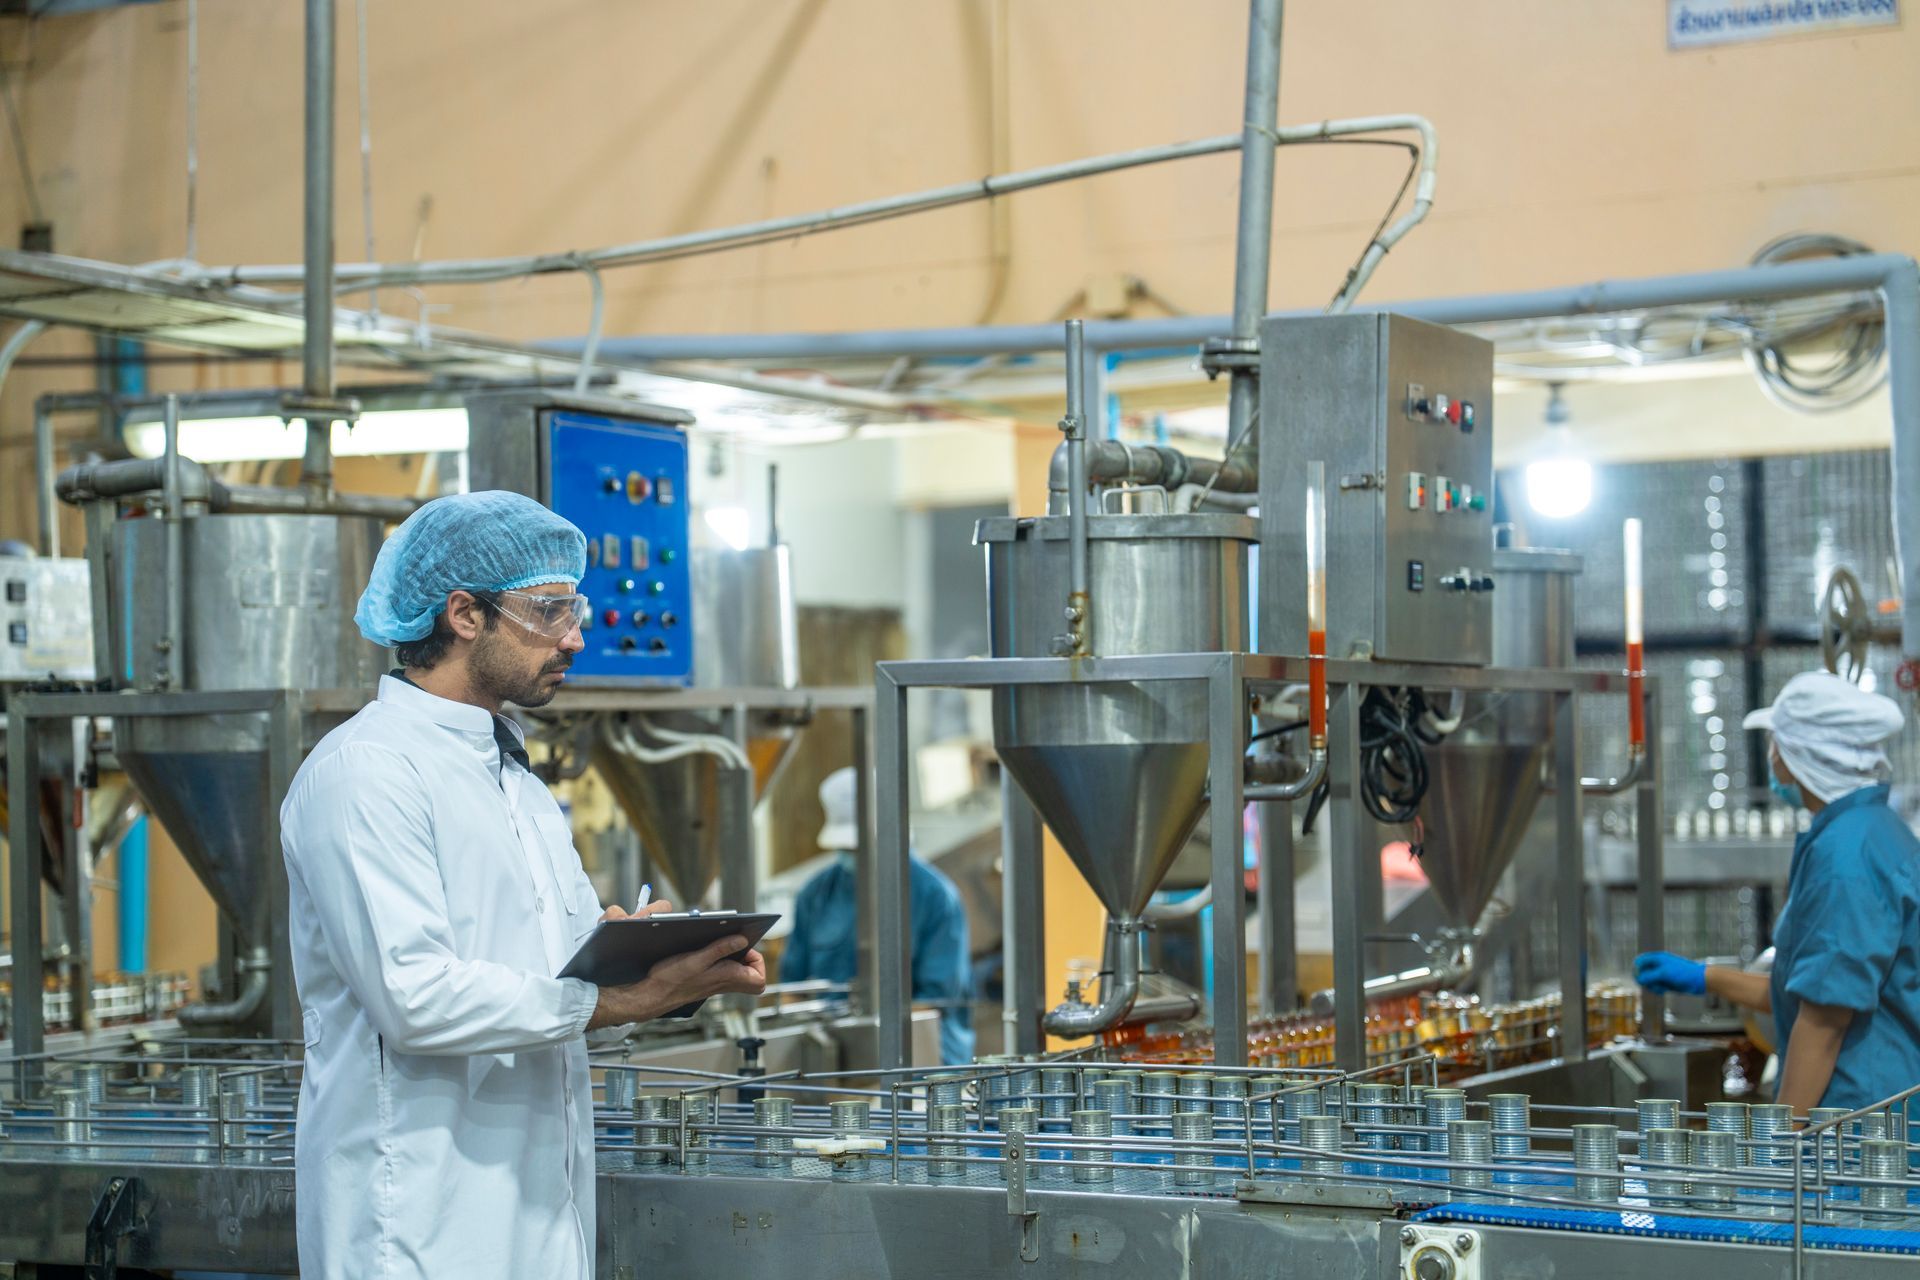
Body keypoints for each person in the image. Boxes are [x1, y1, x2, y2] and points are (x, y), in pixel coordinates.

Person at [281, 491, 766, 1280]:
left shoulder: (517, 782)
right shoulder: (365, 772)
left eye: (576, 610)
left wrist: (650, 964)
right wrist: (614, 999)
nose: (575, 637)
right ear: (464, 614)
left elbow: (559, 985)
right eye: (549, 611)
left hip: (540, 1212)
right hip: (416, 1224)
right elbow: (414, 998)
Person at [1634, 670, 1920, 1115]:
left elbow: (1824, 1021)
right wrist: (1703, 978)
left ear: (1802, 753)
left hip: (1857, 1118)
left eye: (1775, 743)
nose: (1771, 755)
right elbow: (1805, 990)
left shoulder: (1845, 858)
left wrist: (1783, 1140)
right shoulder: (1871, 830)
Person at [780, 766, 975, 1064]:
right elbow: (792, 989)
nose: (854, 856)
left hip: (924, 1060)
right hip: (835, 1057)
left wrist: (870, 1048)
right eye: (847, 848)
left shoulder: (935, 897)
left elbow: (935, 1002)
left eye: (862, 847)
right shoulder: (816, 894)